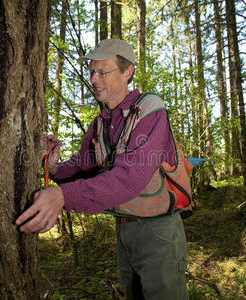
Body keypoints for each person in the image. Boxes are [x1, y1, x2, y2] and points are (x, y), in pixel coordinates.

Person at [15, 39, 189, 299]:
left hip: (158, 232)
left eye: (103, 72)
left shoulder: (151, 111)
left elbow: (130, 179)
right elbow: (81, 168)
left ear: (127, 71)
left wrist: (62, 196)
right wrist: (52, 166)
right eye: (92, 72)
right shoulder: (101, 123)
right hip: (125, 229)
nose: (94, 79)